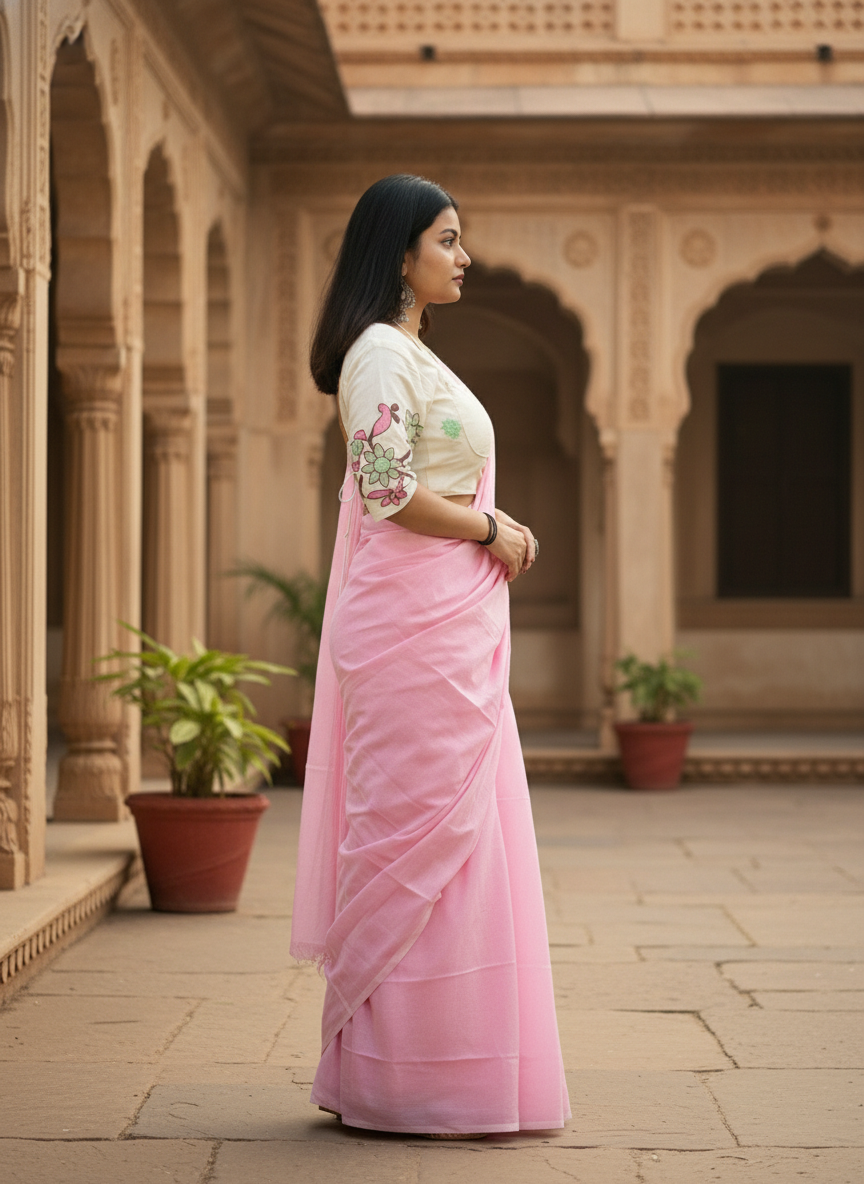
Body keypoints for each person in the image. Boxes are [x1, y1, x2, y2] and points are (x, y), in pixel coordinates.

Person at [290, 174, 570, 1138]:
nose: (464, 256)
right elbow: (385, 489)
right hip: (408, 632)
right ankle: (396, 1079)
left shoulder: (412, 354)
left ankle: (454, 1069)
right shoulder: (377, 354)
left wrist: (487, 536)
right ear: (399, 252)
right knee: (409, 840)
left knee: (464, 850)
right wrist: (489, 526)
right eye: (447, 240)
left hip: (447, 625)